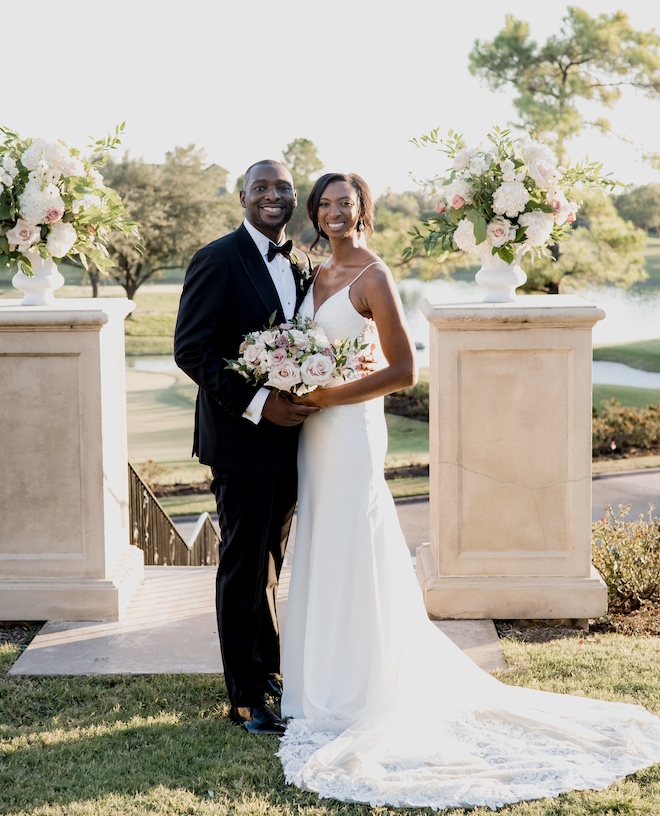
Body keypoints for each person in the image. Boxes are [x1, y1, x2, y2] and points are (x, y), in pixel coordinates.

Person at [276, 172, 660, 809]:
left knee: (354, 542)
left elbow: (404, 370)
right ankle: (318, 683)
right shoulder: (311, 273)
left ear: (364, 211)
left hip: (348, 431)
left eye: (347, 202)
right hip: (313, 435)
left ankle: (360, 685)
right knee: (320, 540)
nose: (335, 212)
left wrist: (328, 395)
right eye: (325, 203)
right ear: (315, 214)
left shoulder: (374, 276)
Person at [174, 160, 319, 736]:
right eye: (261, 187)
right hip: (240, 439)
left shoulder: (303, 262)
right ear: (242, 197)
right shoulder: (216, 258)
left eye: (282, 187)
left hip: (293, 443)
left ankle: (269, 671)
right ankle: (243, 697)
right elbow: (192, 350)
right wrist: (261, 403)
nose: (273, 195)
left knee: (270, 560)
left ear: (293, 197)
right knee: (241, 566)